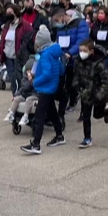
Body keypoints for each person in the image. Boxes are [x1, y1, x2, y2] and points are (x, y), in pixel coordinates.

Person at [21, 25, 67, 154]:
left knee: (39, 116)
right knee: (52, 113)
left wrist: (35, 82)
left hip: (46, 88)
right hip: (52, 87)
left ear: (40, 43)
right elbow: (61, 70)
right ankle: (59, 135)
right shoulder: (55, 53)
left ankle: (36, 144)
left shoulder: (45, 55)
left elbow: (46, 74)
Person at [73, 39, 108, 148]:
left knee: (97, 115)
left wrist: (99, 95)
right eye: (80, 50)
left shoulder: (99, 64)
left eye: (84, 51)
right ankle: (87, 138)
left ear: (91, 51)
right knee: (86, 116)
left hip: (97, 93)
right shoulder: (78, 62)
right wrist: (78, 88)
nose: (82, 53)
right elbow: (76, 77)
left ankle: (106, 111)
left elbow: (107, 82)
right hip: (86, 93)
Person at [55, 9, 90, 117]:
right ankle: (63, 102)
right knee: (61, 82)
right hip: (62, 58)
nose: (61, 19)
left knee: (71, 83)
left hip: (74, 57)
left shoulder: (80, 24)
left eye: (63, 17)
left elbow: (81, 40)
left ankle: (72, 101)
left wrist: (70, 52)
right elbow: (58, 40)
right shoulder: (62, 26)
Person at [0, 4, 33, 96]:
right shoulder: (6, 26)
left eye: (10, 13)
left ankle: (20, 97)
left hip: (19, 57)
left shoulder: (25, 25)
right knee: (13, 79)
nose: (8, 15)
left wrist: (23, 52)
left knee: (19, 78)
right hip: (8, 57)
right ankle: (15, 97)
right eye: (6, 13)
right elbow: (2, 42)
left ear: (16, 13)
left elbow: (30, 39)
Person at [3, 58, 38, 126]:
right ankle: (11, 113)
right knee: (17, 99)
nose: (28, 72)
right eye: (27, 70)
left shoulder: (36, 78)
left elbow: (34, 86)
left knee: (28, 100)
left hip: (34, 94)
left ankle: (26, 116)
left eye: (30, 70)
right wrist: (16, 95)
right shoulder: (25, 78)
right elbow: (22, 88)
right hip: (26, 94)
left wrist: (31, 80)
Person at [90, 5, 108, 82]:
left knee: (107, 71)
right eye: (99, 13)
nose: (99, 15)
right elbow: (91, 37)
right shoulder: (95, 25)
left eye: (102, 13)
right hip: (97, 52)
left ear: (106, 15)